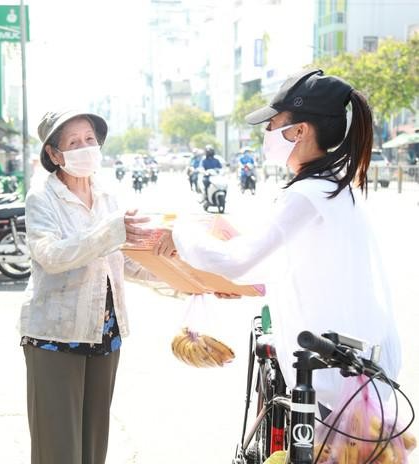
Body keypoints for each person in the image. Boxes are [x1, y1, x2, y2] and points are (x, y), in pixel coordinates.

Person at [153, 69, 401, 409]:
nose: (267, 134)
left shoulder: (309, 194)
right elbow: (300, 265)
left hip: (334, 373)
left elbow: (238, 261)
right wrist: (240, 282)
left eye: (272, 125)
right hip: (352, 366)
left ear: (299, 131)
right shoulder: (333, 187)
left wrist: (179, 233)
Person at [20, 109, 155, 464]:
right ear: (53, 154)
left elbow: (122, 260)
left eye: (90, 139)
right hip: (56, 336)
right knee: (58, 451)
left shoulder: (108, 194)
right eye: (73, 142)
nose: (85, 148)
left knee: (94, 448)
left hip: (105, 332)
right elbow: (51, 255)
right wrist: (110, 231)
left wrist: (189, 281)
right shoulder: (42, 197)